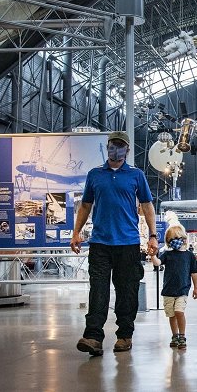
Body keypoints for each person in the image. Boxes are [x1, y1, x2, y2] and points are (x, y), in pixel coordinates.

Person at [70, 131, 157, 356]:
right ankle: (93, 337)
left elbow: (147, 206)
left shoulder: (136, 175)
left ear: (127, 150)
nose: (115, 149)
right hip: (100, 243)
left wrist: (153, 236)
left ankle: (124, 335)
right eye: (112, 145)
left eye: (120, 145)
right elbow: (86, 205)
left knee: (127, 291)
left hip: (127, 243)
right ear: (107, 147)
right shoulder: (95, 174)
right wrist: (76, 233)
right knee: (98, 290)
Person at [151, 223, 197, 349]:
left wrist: (196, 287)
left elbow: (194, 272)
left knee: (179, 312)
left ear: (183, 239)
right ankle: (175, 335)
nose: (174, 242)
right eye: (171, 240)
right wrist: (152, 255)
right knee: (171, 315)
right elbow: (158, 263)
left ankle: (182, 335)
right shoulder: (167, 254)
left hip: (182, 289)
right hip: (168, 290)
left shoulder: (189, 255)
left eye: (177, 238)